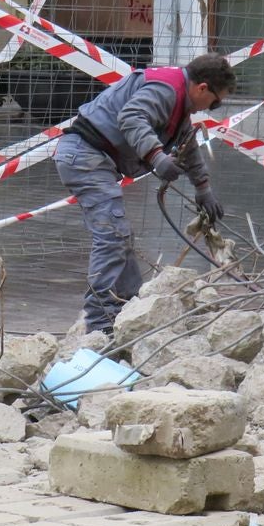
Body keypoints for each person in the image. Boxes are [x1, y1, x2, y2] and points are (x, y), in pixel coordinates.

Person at [54, 52, 236, 335]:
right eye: (215, 102)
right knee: (112, 236)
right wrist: (156, 157)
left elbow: (186, 142)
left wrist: (203, 189)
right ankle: (100, 324)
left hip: (91, 158)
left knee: (119, 235)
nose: (213, 107)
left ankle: (128, 307)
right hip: (85, 155)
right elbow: (132, 117)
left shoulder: (177, 99)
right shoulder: (166, 90)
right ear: (202, 88)